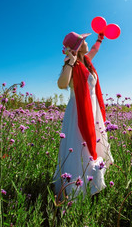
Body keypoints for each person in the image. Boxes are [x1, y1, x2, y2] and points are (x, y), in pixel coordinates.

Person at [53, 31, 114, 202]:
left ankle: (92, 184)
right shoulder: (72, 63)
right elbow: (62, 84)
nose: (87, 42)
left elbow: (94, 49)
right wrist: (69, 64)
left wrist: (100, 39)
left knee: (93, 146)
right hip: (79, 111)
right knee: (80, 147)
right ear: (78, 47)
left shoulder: (87, 62)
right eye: (83, 40)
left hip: (92, 110)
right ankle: (76, 190)